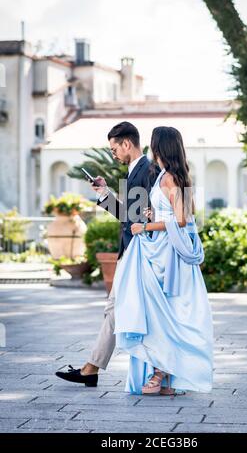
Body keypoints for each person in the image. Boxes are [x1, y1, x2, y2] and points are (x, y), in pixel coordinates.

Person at [55, 121, 160, 387]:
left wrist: (108, 196)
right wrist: (104, 193)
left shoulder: (147, 171)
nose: (114, 154)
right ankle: (91, 369)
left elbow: (137, 219)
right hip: (131, 251)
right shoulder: (136, 171)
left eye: (115, 149)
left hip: (138, 252)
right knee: (114, 308)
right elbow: (130, 216)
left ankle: (154, 371)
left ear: (127, 143)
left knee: (123, 309)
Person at [112, 126, 214, 396]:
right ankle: (164, 373)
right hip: (158, 251)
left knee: (163, 313)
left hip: (167, 254)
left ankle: (162, 372)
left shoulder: (171, 178)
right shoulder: (163, 178)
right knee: (158, 312)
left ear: (160, 146)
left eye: (153, 143)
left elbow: (182, 219)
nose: (150, 147)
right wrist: (150, 213)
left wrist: (145, 227)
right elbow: (168, 212)